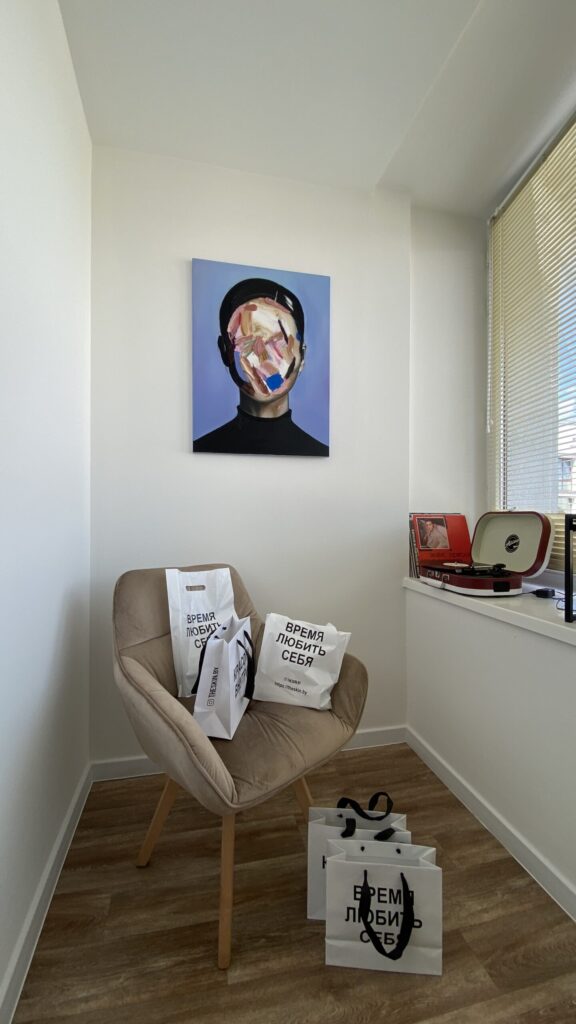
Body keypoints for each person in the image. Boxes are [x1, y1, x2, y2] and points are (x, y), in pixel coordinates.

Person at [193, 278, 329, 456]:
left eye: (279, 342)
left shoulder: (317, 452)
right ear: (225, 352)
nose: (262, 358)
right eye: (246, 343)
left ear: (302, 357)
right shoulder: (203, 448)